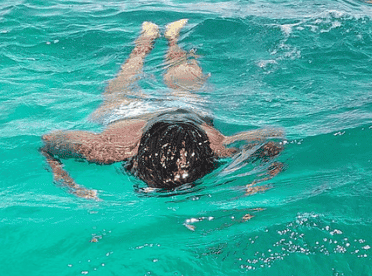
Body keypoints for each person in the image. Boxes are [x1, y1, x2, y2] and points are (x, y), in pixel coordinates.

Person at [41, 20, 283, 197]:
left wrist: (69, 182)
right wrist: (69, 184)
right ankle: (149, 39)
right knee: (165, 77)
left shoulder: (109, 150)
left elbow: (49, 141)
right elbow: (273, 138)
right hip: (138, 112)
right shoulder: (111, 150)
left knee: (142, 78)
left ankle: (171, 38)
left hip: (172, 110)